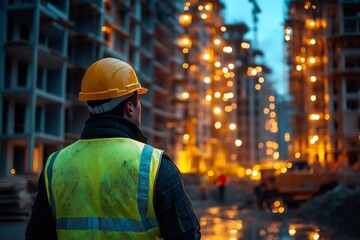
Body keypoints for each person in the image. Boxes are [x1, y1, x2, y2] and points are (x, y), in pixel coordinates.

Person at [25, 58, 200, 239]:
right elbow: (187, 235)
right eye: (139, 101)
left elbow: (36, 236)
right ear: (130, 108)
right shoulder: (155, 166)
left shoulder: (55, 165)